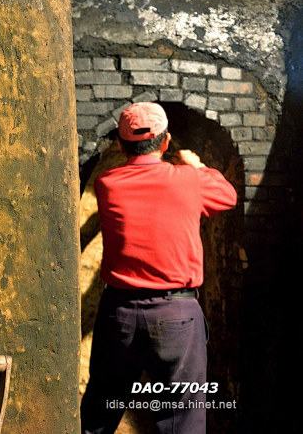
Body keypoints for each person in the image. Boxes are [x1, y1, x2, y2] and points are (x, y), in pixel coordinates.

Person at [80, 102, 237, 434]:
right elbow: (227, 196)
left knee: (100, 415)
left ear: (121, 145)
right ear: (165, 142)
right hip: (176, 315)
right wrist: (196, 165)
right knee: (182, 420)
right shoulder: (189, 181)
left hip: (119, 314)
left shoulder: (108, 184)